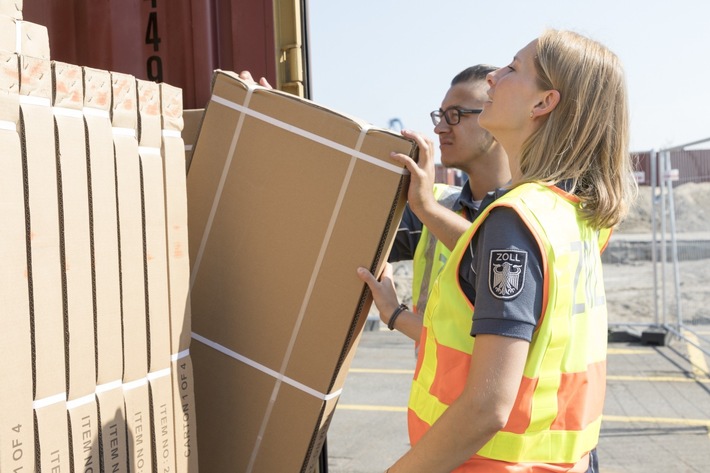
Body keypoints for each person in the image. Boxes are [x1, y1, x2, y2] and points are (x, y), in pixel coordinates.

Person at [358, 29, 637, 472]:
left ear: (543, 103)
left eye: (512, 68)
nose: (494, 79)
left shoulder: (516, 218)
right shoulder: (571, 212)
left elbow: (487, 408)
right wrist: (427, 208)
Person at [388, 65, 510, 329]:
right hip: (436, 372)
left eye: (455, 116)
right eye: (440, 116)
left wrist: (396, 316)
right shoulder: (437, 203)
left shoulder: (530, 212)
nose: (440, 129)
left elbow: (497, 261)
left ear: (498, 118)